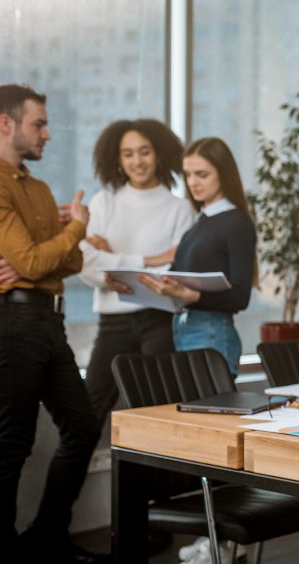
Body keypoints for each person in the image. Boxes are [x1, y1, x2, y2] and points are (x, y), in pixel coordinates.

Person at [0, 84, 109, 564]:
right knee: (12, 444)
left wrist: (63, 241)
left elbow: (57, 264)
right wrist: (78, 229)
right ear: (6, 124)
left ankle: (48, 537)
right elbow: (35, 262)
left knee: (83, 426)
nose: (46, 133)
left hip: (48, 320)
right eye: (38, 124)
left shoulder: (40, 191)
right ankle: (3, 563)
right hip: (12, 325)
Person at [79, 119, 195, 431]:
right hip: (112, 325)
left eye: (144, 152)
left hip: (159, 321)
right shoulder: (104, 202)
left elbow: (175, 275)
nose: (137, 161)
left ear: (158, 154)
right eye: (128, 154)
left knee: (158, 420)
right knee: (85, 419)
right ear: (117, 159)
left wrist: (112, 260)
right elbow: (87, 266)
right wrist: (153, 259)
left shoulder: (180, 209)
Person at [139, 136, 257, 380]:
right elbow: (178, 274)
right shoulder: (200, 222)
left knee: (210, 414)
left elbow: (240, 297)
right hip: (182, 328)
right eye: (188, 175)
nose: (193, 183)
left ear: (223, 174)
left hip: (212, 333)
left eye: (202, 175)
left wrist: (191, 295)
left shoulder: (236, 223)